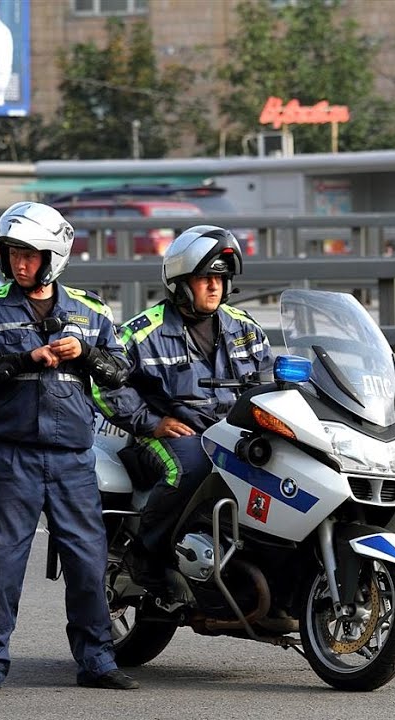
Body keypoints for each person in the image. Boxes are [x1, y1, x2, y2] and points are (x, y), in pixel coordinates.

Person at [0, 201, 139, 695]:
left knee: (88, 560)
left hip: (76, 460)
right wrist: (22, 359)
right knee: (0, 562)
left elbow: (121, 372)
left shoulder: (91, 310)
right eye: (12, 252)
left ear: (54, 256)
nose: (19, 263)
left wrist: (89, 354)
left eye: (30, 254)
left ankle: (96, 660)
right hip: (12, 457)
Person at [94, 225, 274, 603]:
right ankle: (145, 556)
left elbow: (272, 383)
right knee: (191, 465)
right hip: (163, 437)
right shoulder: (144, 333)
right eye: (204, 278)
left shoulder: (247, 330)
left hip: (233, 435)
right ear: (179, 283)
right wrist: (151, 422)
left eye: (221, 279)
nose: (214, 287)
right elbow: (103, 382)